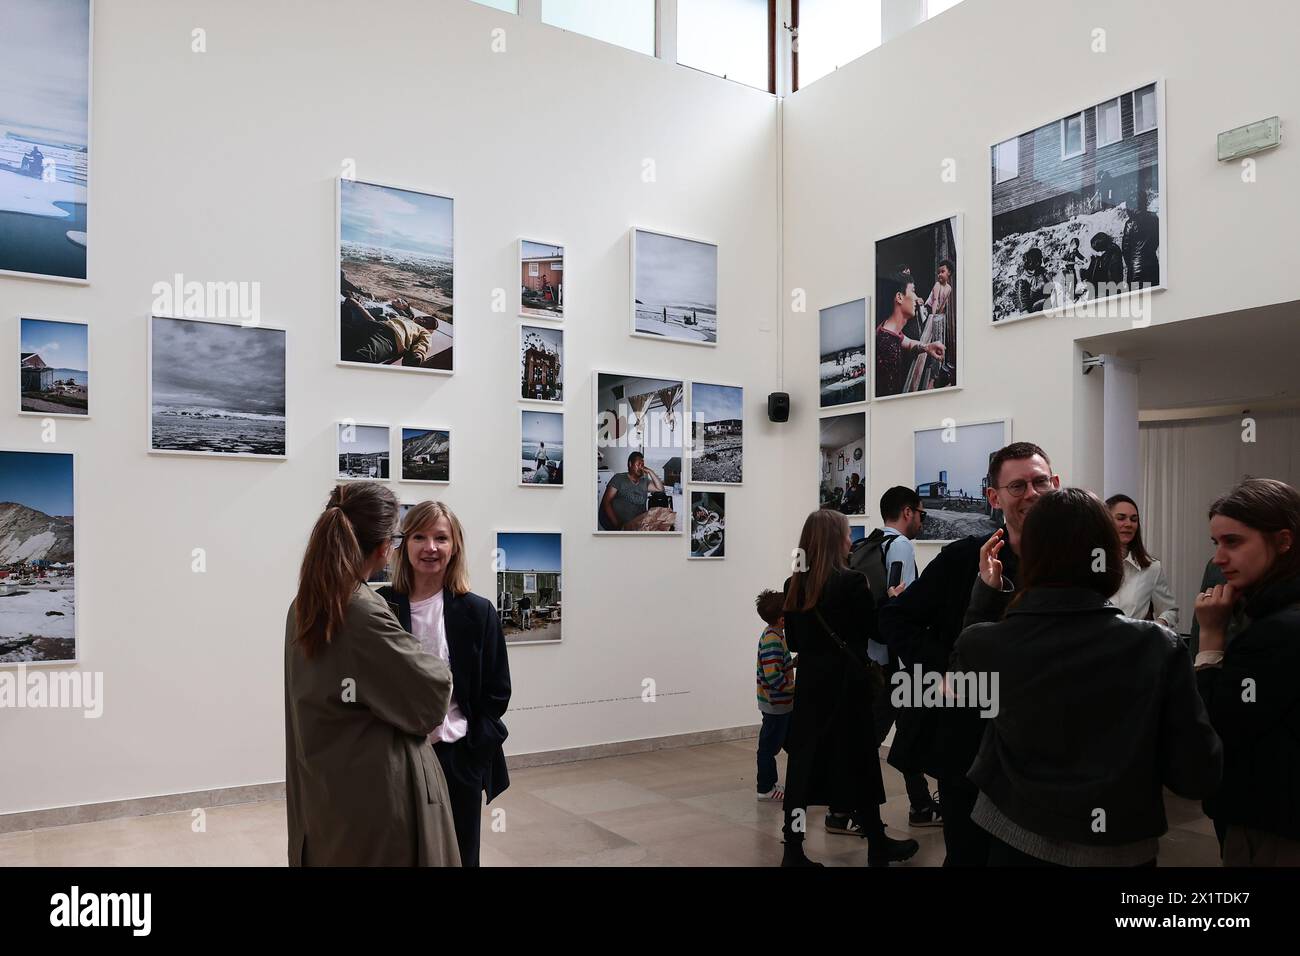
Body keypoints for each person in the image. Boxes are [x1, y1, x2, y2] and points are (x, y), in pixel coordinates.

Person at [955, 489, 1222, 866]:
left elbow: (963, 685)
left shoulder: (985, 643)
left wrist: (986, 595)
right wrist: (1210, 650)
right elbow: (1196, 774)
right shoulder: (1155, 648)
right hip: (1119, 847)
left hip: (1013, 833)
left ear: (1029, 556)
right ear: (1110, 555)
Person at [879, 442, 1059, 866]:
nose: (1031, 493)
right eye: (1017, 486)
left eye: (1039, 482)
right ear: (995, 498)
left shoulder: (1070, 562)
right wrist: (947, 670)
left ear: (1055, 485)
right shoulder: (961, 559)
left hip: (1043, 746)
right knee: (969, 853)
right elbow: (895, 619)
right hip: (970, 743)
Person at [284, 482, 459, 866]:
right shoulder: (360, 608)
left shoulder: (306, 603)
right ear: (384, 547)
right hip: (378, 798)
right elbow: (431, 693)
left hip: (331, 791)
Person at [780, 508, 919, 867]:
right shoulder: (852, 582)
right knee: (861, 765)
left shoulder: (793, 585)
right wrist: (890, 600)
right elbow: (874, 630)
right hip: (847, 685)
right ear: (832, 540)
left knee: (801, 771)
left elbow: (794, 640)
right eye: (844, 533)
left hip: (811, 687)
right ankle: (876, 842)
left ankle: (793, 850)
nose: (849, 540)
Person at [377, 500, 512, 868]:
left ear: (455, 547)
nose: (430, 547)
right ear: (404, 544)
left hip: (457, 757)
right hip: (399, 757)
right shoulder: (381, 605)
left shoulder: (477, 610)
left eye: (441, 538)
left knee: (459, 856)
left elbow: (497, 691)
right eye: (419, 536)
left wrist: (472, 753)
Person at [1194, 478, 1300, 866]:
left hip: (1271, 827)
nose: (1219, 558)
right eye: (1216, 543)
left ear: (1283, 541)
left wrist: (1210, 638)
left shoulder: (1278, 631)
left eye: (1233, 542)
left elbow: (1213, 728)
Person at [862, 486, 941, 829]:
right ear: (908, 512)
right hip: (900, 665)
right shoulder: (901, 546)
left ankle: (921, 806)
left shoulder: (870, 543)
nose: (922, 520)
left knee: (909, 735)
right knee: (877, 738)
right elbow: (904, 608)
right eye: (921, 513)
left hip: (876, 657)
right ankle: (847, 807)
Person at [1106, 493, 1178, 633]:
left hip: (1133, 647)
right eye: (1121, 518)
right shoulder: (1090, 563)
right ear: (1105, 521)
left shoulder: (1152, 567)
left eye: (1134, 519)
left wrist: (1156, 626)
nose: (1128, 524)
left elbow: (1170, 611)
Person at [875, 268, 946, 397]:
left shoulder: (888, 329)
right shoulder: (886, 346)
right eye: (913, 291)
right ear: (899, 297)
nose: (916, 297)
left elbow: (906, 343)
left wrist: (927, 348)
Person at [755, 589, 795, 801]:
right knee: (768, 748)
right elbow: (773, 677)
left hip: (780, 705)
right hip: (776, 705)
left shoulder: (775, 635)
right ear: (782, 619)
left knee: (779, 743)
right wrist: (793, 689)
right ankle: (765, 788)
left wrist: (793, 662)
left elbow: (779, 665)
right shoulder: (772, 640)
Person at [599, 451, 665, 530]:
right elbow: (606, 502)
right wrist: (617, 525)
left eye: (642, 465)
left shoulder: (644, 481)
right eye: (638, 464)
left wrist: (650, 471)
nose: (641, 467)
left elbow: (660, 489)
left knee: (666, 516)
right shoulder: (619, 478)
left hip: (639, 522)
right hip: (624, 524)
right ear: (630, 464)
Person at [1121, 176, 1160, 289]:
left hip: (1135, 267)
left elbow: (1125, 249)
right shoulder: (1154, 218)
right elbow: (1157, 240)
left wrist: (1131, 264)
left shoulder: (1130, 223)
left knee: (1139, 302)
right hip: (1152, 263)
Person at [1080, 232, 1124, 299]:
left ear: (1102, 248)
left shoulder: (1113, 253)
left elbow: (1112, 276)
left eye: (1097, 250)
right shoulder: (1105, 252)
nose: (1096, 252)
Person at [1014, 248, 1051, 315]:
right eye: (1040, 259)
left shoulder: (1042, 271)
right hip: (1035, 311)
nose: (1042, 261)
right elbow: (1024, 307)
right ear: (1035, 261)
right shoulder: (1022, 281)